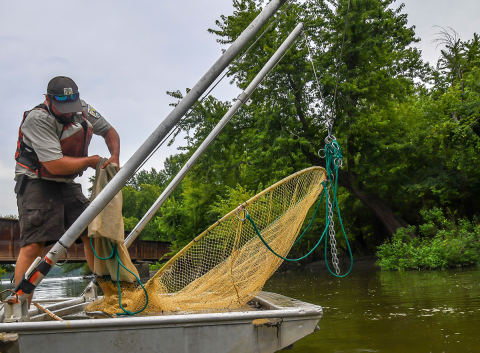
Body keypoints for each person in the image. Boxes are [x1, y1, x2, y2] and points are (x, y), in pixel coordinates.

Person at [14, 76, 120, 300]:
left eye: (70, 107)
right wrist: (92, 161)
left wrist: (114, 156)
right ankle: (19, 306)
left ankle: (108, 293)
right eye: (61, 108)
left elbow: (110, 132)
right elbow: (55, 165)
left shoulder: (82, 109)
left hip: (66, 184)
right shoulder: (37, 119)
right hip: (36, 182)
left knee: (92, 230)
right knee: (34, 245)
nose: (67, 113)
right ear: (48, 99)